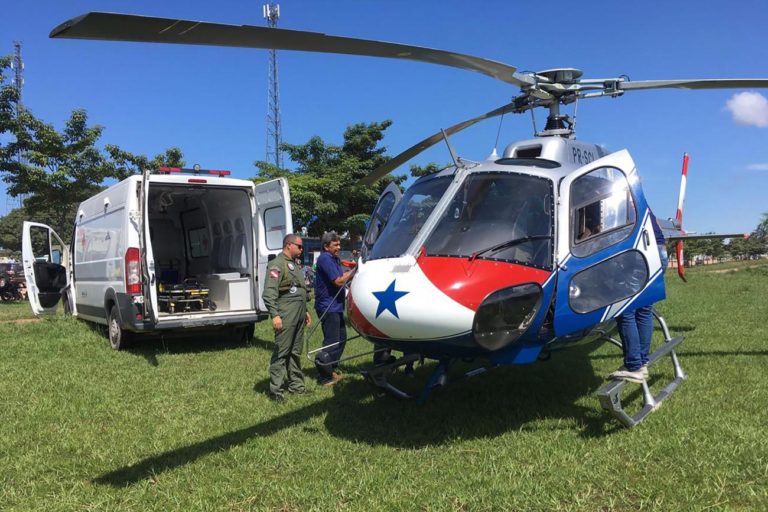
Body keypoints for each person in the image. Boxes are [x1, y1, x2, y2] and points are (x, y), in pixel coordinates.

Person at [609, 211, 668, 383]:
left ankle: (633, 365)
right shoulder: (635, 196)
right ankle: (641, 362)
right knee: (644, 309)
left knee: (625, 310)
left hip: (640, 253)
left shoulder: (613, 197)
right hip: (659, 251)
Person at [262, 234, 312, 401]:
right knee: (282, 352)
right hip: (286, 315)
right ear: (289, 245)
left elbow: (299, 290)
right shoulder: (277, 265)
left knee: (295, 352)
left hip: (298, 315)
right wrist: (275, 315)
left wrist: (304, 311)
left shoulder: (295, 265)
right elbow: (269, 293)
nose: (301, 249)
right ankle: (275, 390)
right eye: (299, 246)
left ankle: (296, 386)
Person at [313, 231, 354, 386]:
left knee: (341, 338)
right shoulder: (325, 258)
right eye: (335, 244)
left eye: (339, 244)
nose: (339, 246)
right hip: (328, 307)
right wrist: (355, 271)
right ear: (326, 246)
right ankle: (324, 376)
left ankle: (331, 369)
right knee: (332, 342)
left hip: (336, 307)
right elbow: (338, 281)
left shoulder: (334, 259)